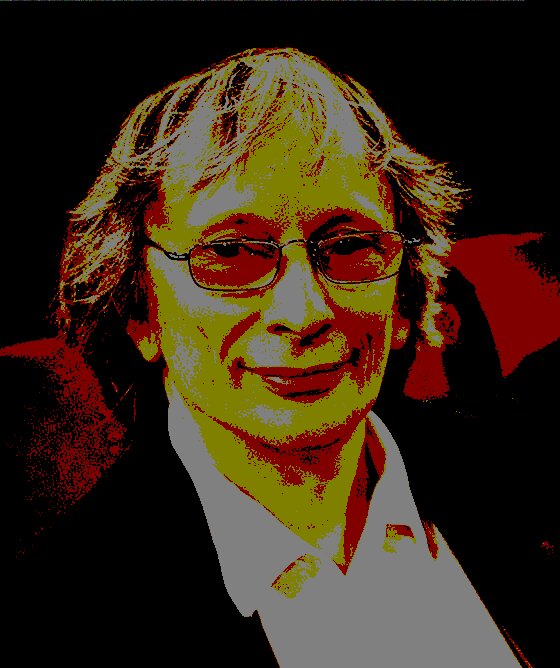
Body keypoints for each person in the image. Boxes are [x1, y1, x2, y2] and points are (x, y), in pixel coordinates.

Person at [2, 47, 531, 666]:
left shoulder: (527, 481)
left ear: (403, 298)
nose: (303, 312)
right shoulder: (57, 618)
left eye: (350, 244)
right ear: (138, 310)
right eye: (230, 253)